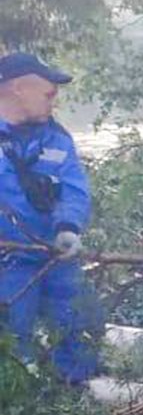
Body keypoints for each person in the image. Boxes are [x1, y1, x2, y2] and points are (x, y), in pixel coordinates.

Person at [0, 52, 96, 384]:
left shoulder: (57, 138)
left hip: (56, 256)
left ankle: (76, 393)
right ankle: (18, 408)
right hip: (8, 262)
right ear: (18, 88)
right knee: (12, 338)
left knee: (77, 323)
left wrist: (68, 227)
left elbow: (74, 188)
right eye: (48, 93)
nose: (54, 101)